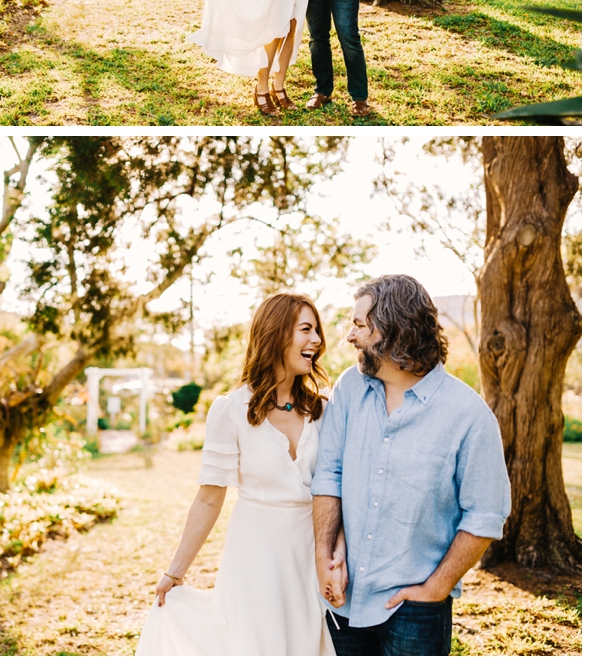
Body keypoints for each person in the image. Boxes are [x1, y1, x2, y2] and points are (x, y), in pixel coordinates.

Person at [312, 274, 511, 656]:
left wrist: (435, 589)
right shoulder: (349, 388)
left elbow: (485, 515)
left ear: (393, 329)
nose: (349, 337)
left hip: (417, 610)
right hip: (342, 598)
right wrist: (324, 557)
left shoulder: (469, 416)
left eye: (358, 325)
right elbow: (329, 476)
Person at [136, 292, 343, 656]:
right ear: (277, 334)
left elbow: (338, 489)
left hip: (311, 549)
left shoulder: (324, 409)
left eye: (317, 332)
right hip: (255, 554)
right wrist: (175, 571)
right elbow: (209, 497)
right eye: (306, 330)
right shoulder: (231, 410)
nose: (317, 341)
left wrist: (335, 553)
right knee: (256, 645)